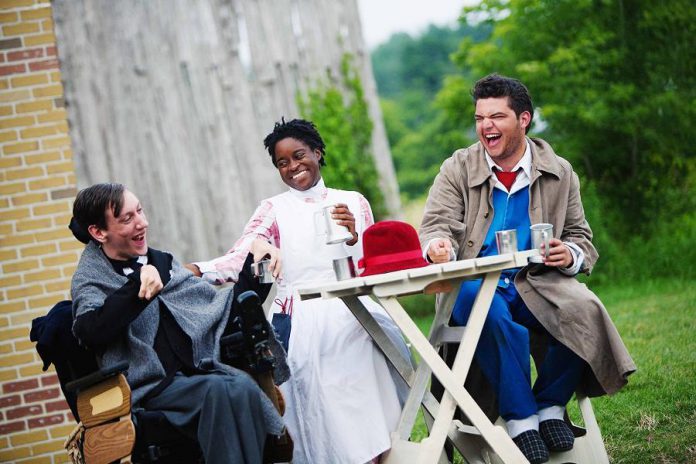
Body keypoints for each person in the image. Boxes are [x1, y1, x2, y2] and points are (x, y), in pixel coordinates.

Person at [419, 74, 635, 463]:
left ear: (523, 119)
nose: (486, 126)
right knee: (481, 304)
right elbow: (437, 225)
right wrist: (438, 246)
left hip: (538, 282)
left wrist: (569, 254)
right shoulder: (457, 167)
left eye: (497, 116)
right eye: (480, 117)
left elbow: (580, 236)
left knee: (583, 308)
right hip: (477, 281)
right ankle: (521, 420)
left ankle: (550, 406)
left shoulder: (560, 171)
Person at [188, 118, 407, 464]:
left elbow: (370, 261)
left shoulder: (353, 201)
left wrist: (354, 235)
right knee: (327, 393)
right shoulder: (273, 210)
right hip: (303, 317)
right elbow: (241, 256)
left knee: (369, 364)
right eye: (282, 162)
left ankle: (383, 454)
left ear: (318, 153)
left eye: (299, 155)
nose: (293, 167)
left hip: (355, 309)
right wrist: (199, 270)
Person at [70, 182, 290, 464]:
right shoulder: (90, 277)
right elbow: (89, 332)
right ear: (99, 232)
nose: (142, 223)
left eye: (140, 211)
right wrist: (137, 288)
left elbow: (217, 308)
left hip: (199, 369)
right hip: (149, 386)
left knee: (243, 387)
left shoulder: (161, 261)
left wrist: (257, 265)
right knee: (219, 391)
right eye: (128, 218)